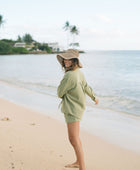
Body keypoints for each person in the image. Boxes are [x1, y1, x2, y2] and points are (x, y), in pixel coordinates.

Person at [57, 49, 99, 170]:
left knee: (73, 139)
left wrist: (65, 89)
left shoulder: (70, 75)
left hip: (72, 109)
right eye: (65, 58)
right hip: (77, 107)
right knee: (75, 138)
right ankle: (77, 162)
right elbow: (86, 86)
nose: (66, 61)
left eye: (69, 59)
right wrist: (94, 97)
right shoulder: (79, 72)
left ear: (74, 61)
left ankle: (82, 167)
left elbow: (59, 93)